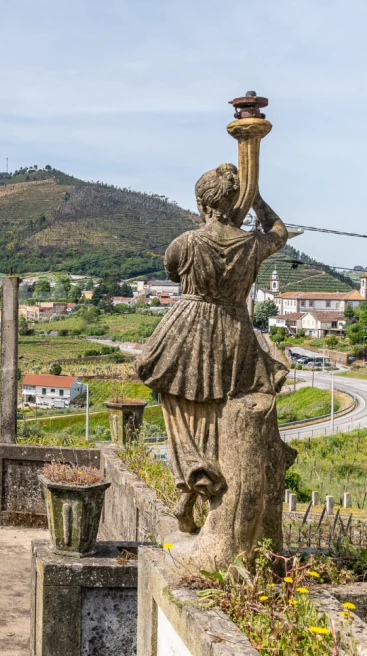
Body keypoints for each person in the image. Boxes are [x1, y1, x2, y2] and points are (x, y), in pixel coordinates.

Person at [136, 163, 292, 559]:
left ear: (202, 202)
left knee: (182, 410)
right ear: (234, 201)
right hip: (233, 331)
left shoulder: (185, 243)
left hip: (188, 329)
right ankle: (202, 490)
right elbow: (279, 232)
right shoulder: (250, 244)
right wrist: (254, 197)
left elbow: (173, 272)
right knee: (227, 409)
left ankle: (193, 482)